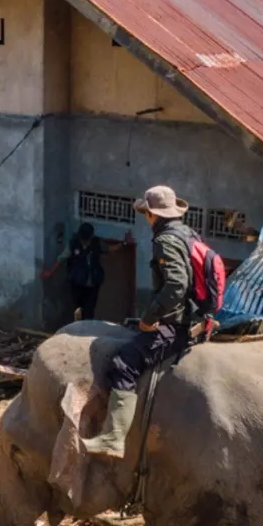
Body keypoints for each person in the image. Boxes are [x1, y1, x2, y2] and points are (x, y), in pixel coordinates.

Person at [82, 185, 196, 459]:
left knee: (124, 364)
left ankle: (113, 439)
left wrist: (150, 318)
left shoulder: (165, 240)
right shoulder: (188, 234)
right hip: (193, 318)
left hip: (175, 323)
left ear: (152, 214)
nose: (146, 217)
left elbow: (176, 286)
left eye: (146, 212)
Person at [42, 223, 120, 321]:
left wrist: (122, 244)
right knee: (78, 309)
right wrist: (50, 272)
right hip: (77, 282)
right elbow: (62, 258)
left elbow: (109, 249)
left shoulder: (96, 243)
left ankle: (87, 331)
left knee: (89, 309)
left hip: (93, 283)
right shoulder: (73, 243)